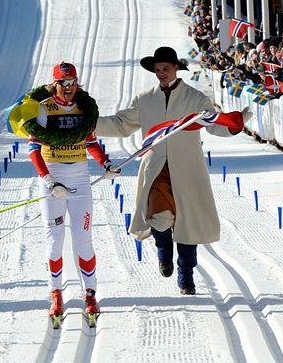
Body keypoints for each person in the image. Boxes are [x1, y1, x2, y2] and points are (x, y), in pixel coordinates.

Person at [95, 47, 249, 295]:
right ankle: (164, 249)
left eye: (165, 69)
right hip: (156, 168)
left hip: (188, 169)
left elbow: (213, 123)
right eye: (157, 70)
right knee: (159, 218)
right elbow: (120, 124)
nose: (161, 74)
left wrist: (232, 127)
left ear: (176, 68)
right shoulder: (145, 99)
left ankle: (186, 276)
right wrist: (89, 124)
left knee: (188, 228)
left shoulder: (194, 99)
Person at [24, 62, 119, 324]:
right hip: (53, 178)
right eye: (63, 83)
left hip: (79, 179)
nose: (68, 88)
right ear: (54, 84)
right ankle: (56, 293)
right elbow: (33, 148)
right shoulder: (43, 108)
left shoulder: (83, 108)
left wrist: (106, 164)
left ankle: (90, 293)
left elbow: (89, 141)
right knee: (55, 240)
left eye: (73, 82)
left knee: (83, 239)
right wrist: (48, 179)